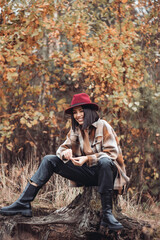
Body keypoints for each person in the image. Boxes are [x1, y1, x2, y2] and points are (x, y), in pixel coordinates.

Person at [0, 93, 129, 231]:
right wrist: (65, 153)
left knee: (104, 161)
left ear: (89, 111)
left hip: (109, 173)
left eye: (81, 111)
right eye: (75, 112)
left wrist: (87, 158)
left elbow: (112, 154)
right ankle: (23, 203)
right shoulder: (76, 130)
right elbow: (61, 149)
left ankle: (107, 215)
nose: (78, 115)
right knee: (49, 160)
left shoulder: (103, 125)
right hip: (89, 174)